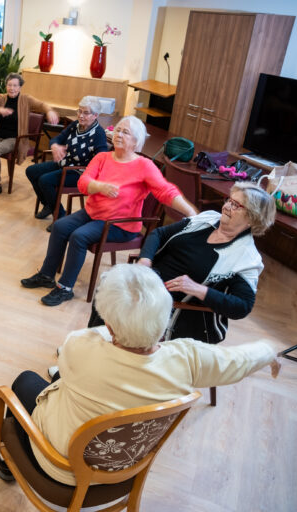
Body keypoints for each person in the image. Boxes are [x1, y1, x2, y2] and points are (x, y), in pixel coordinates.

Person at [0, 263, 280, 485]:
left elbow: (79, 349)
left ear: (108, 325)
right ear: (166, 314)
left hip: (60, 465)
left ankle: (5, 462)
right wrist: (269, 351)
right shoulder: (188, 358)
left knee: (25, 381)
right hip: (125, 467)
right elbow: (237, 361)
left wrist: (112, 326)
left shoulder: (80, 348)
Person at [20, 116, 198, 306]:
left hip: (121, 223)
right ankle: (46, 275)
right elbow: (83, 183)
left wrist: (190, 212)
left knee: (79, 236)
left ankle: (65, 288)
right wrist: (99, 187)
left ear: (136, 141)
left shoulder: (144, 166)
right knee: (60, 226)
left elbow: (165, 191)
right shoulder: (102, 157)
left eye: (125, 132)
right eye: (118, 130)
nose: (119, 134)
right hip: (93, 213)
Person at [132, 182, 276, 343]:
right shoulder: (206, 218)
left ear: (252, 218)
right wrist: (145, 259)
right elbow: (159, 233)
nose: (227, 206)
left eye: (236, 205)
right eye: (229, 200)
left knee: (120, 310)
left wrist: (198, 289)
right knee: (108, 292)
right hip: (148, 283)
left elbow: (242, 307)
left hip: (170, 309)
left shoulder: (246, 258)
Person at [0, 73, 59, 198]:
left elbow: (42, 105)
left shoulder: (25, 99)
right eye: (9, 85)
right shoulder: (1, 98)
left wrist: (49, 111)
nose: (12, 88)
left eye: (15, 85)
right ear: (6, 86)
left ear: (20, 87)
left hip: (15, 138)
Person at [25, 96, 108, 221]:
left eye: (85, 113)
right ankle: (48, 205)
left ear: (95, 115)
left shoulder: (99, 134)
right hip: (65, 163)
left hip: (80, 172)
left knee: (45, 180)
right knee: (31, 171)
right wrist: (55, 146)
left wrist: (87, 171)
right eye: (79, 111)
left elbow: (101, 160)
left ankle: (59, 215)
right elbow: (57, 138)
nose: (81, 115)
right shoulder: (76, 125)